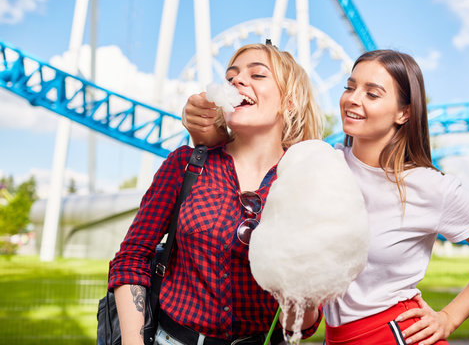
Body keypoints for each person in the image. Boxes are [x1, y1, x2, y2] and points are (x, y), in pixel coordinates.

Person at [183, 49, 469, 345]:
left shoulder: (431, 188)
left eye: (372, 93)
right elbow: (255, 153)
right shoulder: (320, 160)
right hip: (338, 335)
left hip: (396, 332)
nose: (353, 99)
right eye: (350, 87)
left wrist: (450, 316)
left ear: (404, 112)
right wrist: (208, 130)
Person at [108, 43, 324, 345]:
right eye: (230, 77)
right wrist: (133, 341)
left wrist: (300, 292)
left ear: (289, 102)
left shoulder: (304, 180)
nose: (237, 82)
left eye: (258, 75)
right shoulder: (186, 164)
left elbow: (303, 323)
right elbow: (131, 258)